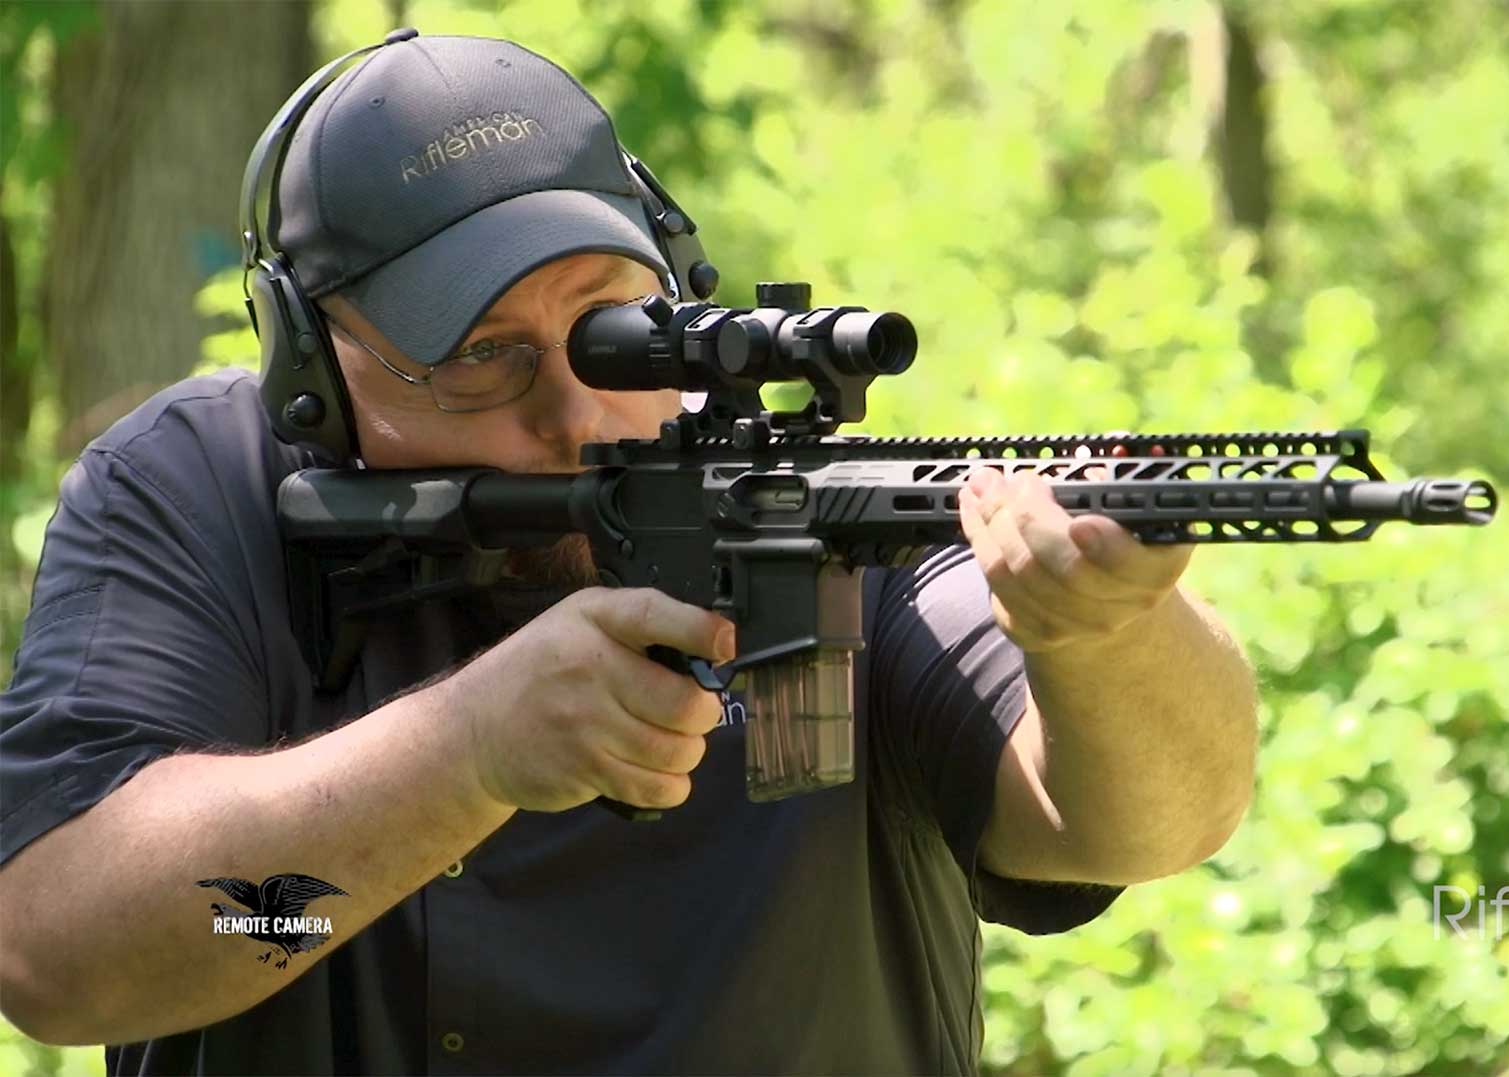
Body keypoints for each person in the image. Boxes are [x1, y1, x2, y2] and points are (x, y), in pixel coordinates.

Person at [0, 32, 1258, 1075]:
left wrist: (1111, 636)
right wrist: (463, 754)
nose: (575, 415)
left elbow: (1139, 823)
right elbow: (61, 957)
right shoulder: (201, 492)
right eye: (478, 355)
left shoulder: (799, 491)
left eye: (612, 330)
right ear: (311, 365)